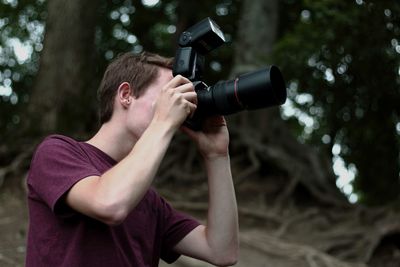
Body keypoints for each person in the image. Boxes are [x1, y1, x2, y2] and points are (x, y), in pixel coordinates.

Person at [25, 51, 239, 267]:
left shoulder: (149, 202)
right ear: (126, 94)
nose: (180, 108)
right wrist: (163, 122)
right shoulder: (57, 152)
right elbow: (109, 203)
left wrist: (217, 156)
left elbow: (222, 251)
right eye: (169, 95)